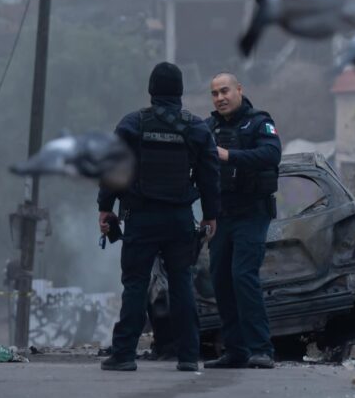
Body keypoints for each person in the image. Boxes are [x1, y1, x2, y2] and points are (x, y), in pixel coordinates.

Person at [97, 62, 221, 372]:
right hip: (179, 219)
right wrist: (210, 215)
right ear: (180, 91)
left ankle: (124, 354)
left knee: (136, 285)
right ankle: (189, 356)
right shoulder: (196, 127)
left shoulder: (133, 124)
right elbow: (209, 175)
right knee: (181, 285)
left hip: (141, 218)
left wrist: (105, 207)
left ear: (152, 90)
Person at [204, 72, 282, 369]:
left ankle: (261, 349)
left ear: (239, 90)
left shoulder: (259, 122)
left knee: (243, 276)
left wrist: (229, 155)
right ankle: (235, 350)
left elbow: (271, 154)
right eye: (214, 94)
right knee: (221, 280)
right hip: (222, 215)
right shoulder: (208, 127)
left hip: (252, 212)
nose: (220, 98)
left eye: (225, 91)